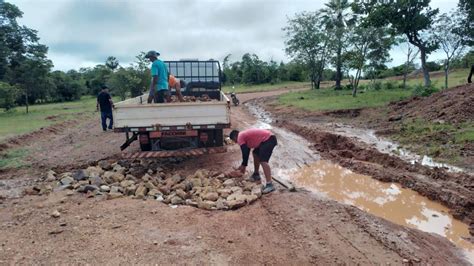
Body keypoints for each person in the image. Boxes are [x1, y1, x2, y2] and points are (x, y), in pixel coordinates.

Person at [229, 128, 278, 194]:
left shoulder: (240, 137)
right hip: (266, 139)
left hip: (269, 139)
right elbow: (247, 150)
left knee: (263, 161)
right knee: (255, 153)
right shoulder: (244, 136)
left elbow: (245, 152)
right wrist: (244, 165)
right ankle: (256, 174)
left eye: (234, 140)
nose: (235, 142)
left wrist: (243, 165)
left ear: (235, 137)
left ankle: (269, 184)